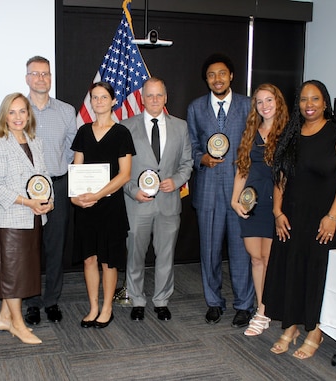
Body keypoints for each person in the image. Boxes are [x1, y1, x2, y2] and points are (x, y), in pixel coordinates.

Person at [263, 80, 336, 359]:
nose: (309, 105)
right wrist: (277, 212)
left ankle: (315, 331)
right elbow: (280, 177)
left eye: (315, 99)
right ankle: (290, 326)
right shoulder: (291, 134)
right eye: (303, 100)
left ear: (325, 102)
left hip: (325, 217)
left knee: (317, 274)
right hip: (291, 215)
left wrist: (332, 216)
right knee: (291, 270)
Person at [187, 53, 255, 327]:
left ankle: (243, 304)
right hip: (208, 189)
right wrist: (200, 158)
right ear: (206, 80)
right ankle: (214, 302)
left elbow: (256, 144)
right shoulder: (195, 108)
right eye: (212, 75)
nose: (217, 79)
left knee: (241, 251)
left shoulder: (248, 105)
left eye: (222, 73)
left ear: (231, 76)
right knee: (210, 251)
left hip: (240, 189)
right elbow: (190, 145)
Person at [121, 77, 193, 321]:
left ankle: (161, 299)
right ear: (142, 98)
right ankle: (136, 299)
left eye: (159, 95)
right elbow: (120, 170)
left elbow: (187, 163)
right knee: (135, 255)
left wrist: (177, 180)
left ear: (166, 98)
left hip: (169, 202)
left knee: (165, 255)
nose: (154, 100)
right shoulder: (126, 127)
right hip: (137, 204)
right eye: (149, 96)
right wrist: (132, 190)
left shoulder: (180, 127)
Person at [0, 93, 53, 345]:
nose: (17, 117)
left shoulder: (34, 141)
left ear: (29, 114)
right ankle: (17, 324)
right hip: (10, 219)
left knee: (21, 273)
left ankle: (3, 317)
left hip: (34, 218)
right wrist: (28, 202)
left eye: (22, 111)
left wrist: (50, 200)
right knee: (13, 275)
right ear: (5, 115)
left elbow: (43, 176)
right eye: (12, 112)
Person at [71, 81, 135, 329]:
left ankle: (107, 307)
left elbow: (125, 174)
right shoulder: (83, 132)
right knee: (89, 258)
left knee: (109, 259)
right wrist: (74, 196)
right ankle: (93, 307)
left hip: (110, 206)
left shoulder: (122, 133)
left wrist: (97, 195)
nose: (98, 102)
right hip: (85, 206)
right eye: (94, 98)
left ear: (113, 101)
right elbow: (76, 168)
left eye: (103, 97)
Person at [230, 83, 289, 336]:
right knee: (255, 258)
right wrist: (235, 200)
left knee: (269, 258)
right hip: (250, 201)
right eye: (259, 102)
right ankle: (262, 306)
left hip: (276, 202)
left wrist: (280, 209)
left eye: (269, 100)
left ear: (278, 102)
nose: (264, 106)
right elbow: (243, 168)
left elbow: (288, 175)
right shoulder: (251, 131)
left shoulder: (288, 133)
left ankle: (263, 312)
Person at [23, 56, 77, 325]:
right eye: (36, 74)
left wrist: (59, 170)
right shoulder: (18, 110)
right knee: (30, 248)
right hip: (26, 191)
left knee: (56, 247)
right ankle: (32, 302)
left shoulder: (66, 111)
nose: (41, 78)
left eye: (46, 74)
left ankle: (52, 300)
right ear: (27, 78)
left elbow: (72, 148)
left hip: (58, 184)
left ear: (50, 78)